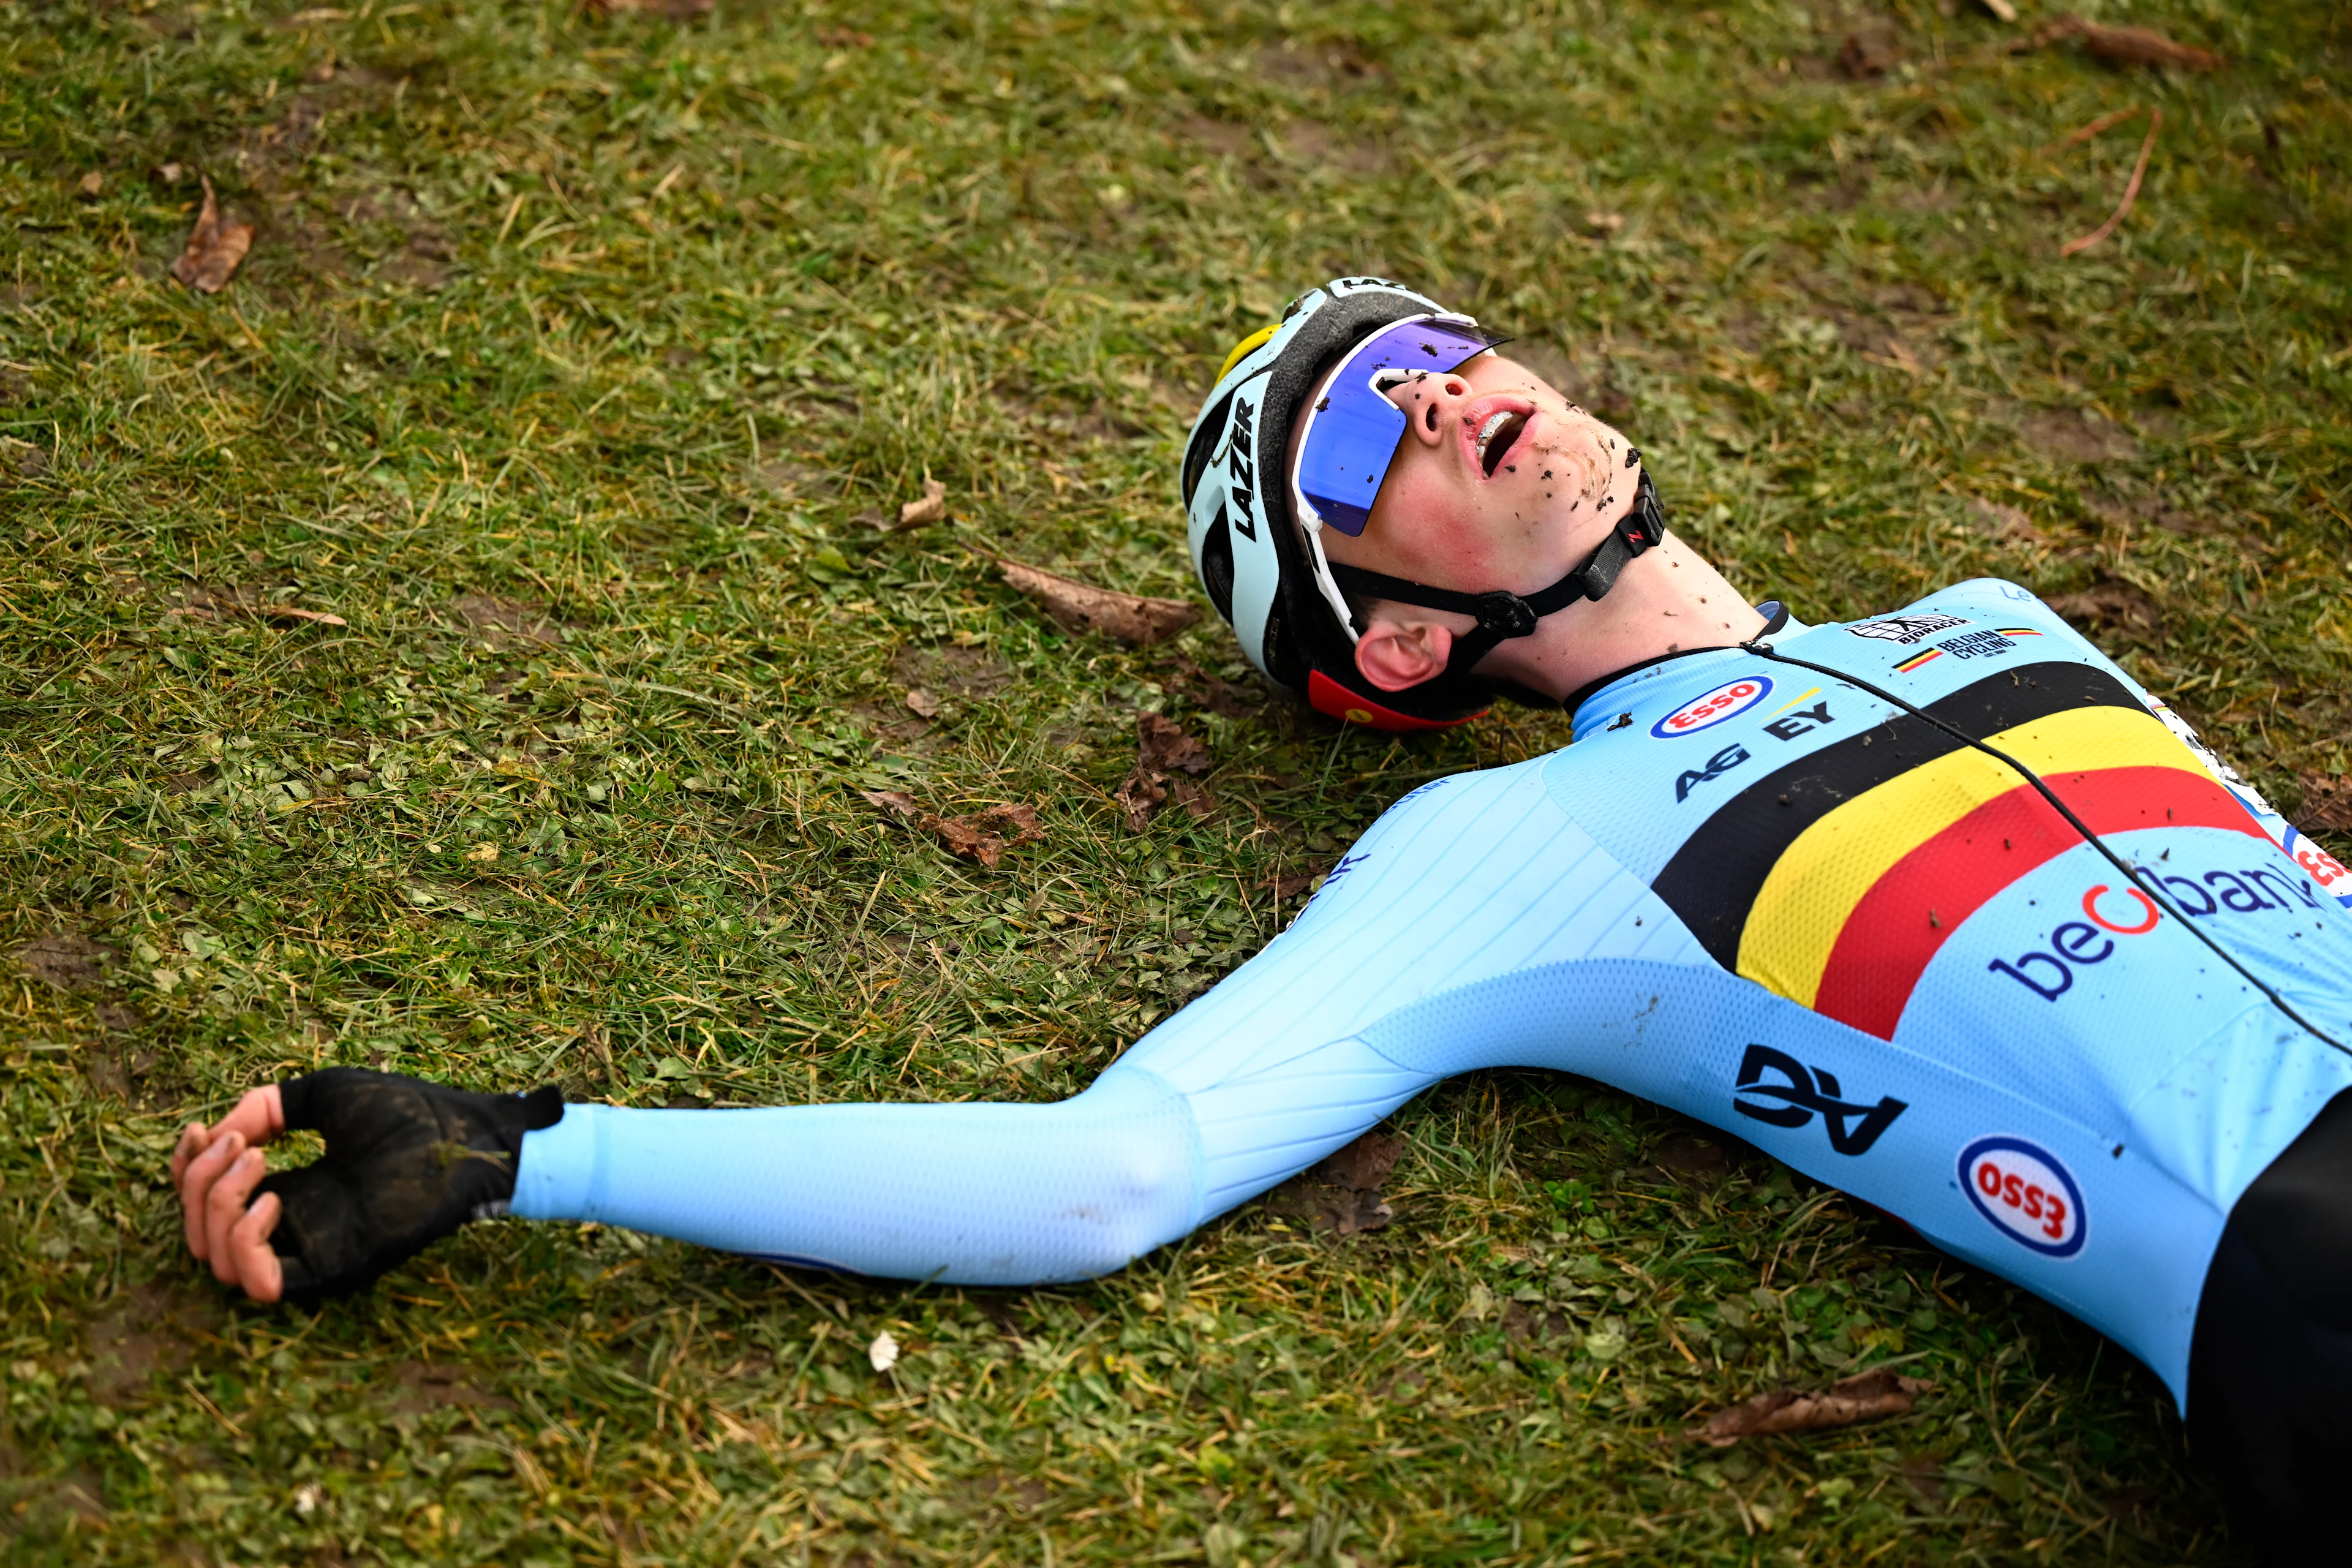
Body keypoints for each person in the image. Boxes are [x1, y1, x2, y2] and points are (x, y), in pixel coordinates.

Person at [173, 277, 2352, 1560]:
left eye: (1419, 345)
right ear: (1395, 648)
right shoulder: (1530, 850)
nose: (1425, 387)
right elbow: (1109, 1168)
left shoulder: (1997, 616)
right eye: (1353, 451)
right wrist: (545, 1151)